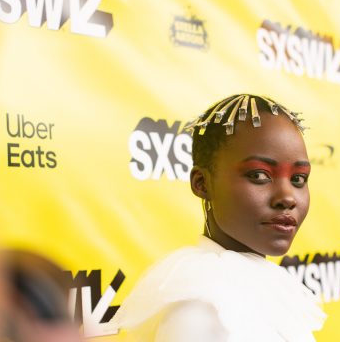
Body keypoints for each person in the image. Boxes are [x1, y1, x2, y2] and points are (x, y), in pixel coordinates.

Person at [111, 94, 326, 341]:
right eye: (259, 175)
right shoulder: (200, 304)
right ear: (202, 183)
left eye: (298, 179)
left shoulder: (265, 284)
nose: (288, 198)